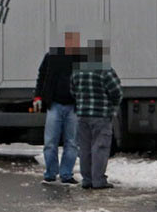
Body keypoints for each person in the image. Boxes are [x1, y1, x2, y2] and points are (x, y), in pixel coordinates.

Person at [34, 31, 85, 184]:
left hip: (72, 106)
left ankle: (66, 174)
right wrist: (38, 96)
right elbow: (41, 76)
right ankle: (51, 173)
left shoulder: (81, 59)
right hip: (54, 105)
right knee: (51, 142)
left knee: (71, 143)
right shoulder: (51, 57)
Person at [70, 40, 122, 190]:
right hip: (101, 115)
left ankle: (87, 180)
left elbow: (73, 91)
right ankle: (98, 180)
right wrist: (113, 105)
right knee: (100, 147)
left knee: (85, 148)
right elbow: (116, 91)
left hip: (82, 115)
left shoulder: (77, 72)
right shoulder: (105, 71)